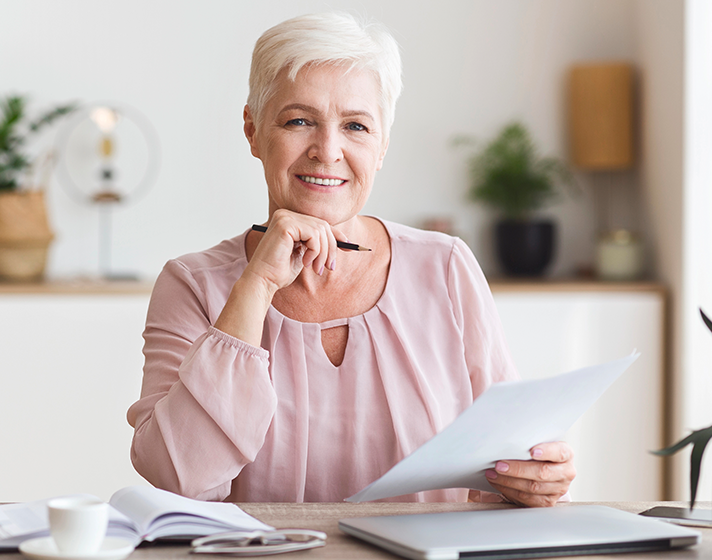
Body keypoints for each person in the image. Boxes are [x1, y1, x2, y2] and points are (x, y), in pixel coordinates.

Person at [127, 12, 575, 507]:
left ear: (382, 145)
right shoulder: (191, 284)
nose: (328, 150)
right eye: (299, 121)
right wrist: (256, 285)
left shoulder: (446, 267)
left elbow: (501, 464)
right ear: (253, 131)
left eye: (356, 126)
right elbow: (179, 478)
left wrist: (530, 479)